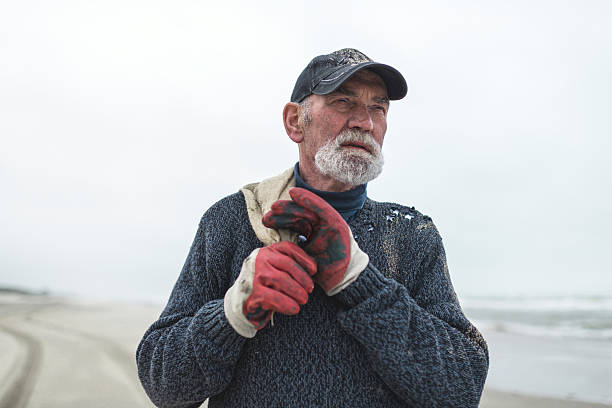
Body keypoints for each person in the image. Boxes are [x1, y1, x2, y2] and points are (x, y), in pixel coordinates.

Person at [136, 48, 489, 408]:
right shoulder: (232, 221)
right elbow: (163, 386)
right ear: (294, 121)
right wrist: (232, 314)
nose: (364, 123)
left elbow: (462, 389)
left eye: (378, 109)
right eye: (342, 102)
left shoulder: (412, 235)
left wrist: (359, 280)